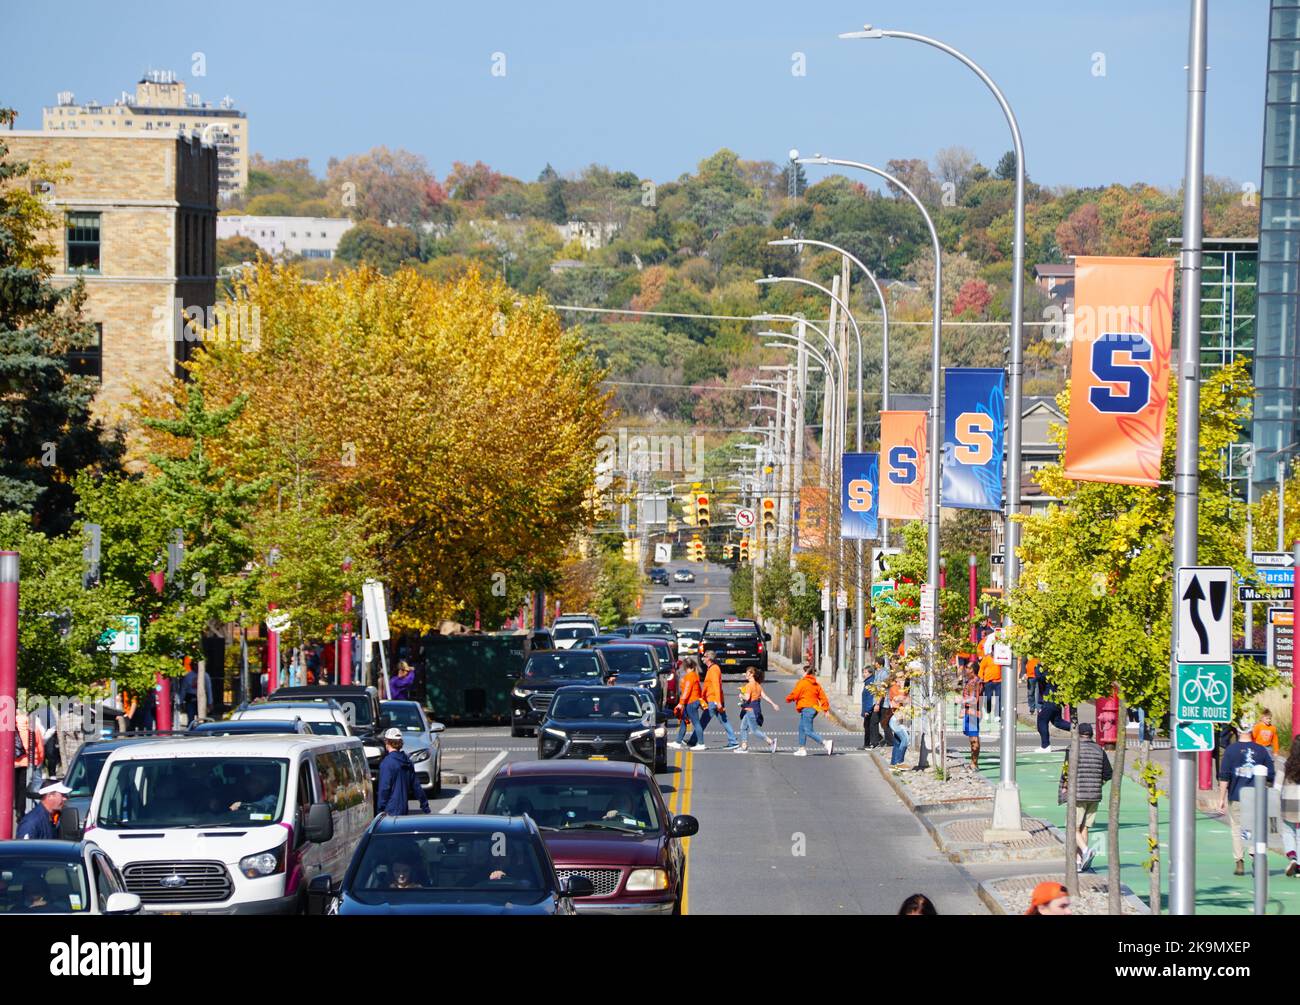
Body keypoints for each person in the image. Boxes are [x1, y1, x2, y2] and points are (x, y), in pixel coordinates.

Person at [1217, 719, 1275, 875]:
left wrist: (1221, 798)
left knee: (1237, 827)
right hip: (1256, 796)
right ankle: (1254, 854)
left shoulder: (1230, 750)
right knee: (1253, 826)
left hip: (1236, 794)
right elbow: (1271, 775)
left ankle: (1239, 860)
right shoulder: (1261, 751)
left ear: (1237, 730)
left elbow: (1224, 776)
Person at [1061, 722, 1113, 872]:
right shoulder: (1099, 749)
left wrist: (1065, 786)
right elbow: (1108, 773)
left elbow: (1066, 769)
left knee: (1072, 826)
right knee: (1084, 827)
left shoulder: (1072, 748)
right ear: (1091, 735)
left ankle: (1085, 851)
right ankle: (1079, 861)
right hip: (1094, 794)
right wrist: (1098, 784)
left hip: (1077, 793)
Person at [377, 727, 431, 816]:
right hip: (404, 810)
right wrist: (425, 806)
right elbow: (416, 786)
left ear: (387, 742)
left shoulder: (387, 763)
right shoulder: (407, 761)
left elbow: (384, 789)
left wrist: (380, 810)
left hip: (389, 811)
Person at [785, 667, 833, 756]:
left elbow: (795, 694)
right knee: (801, 727)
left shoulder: (802, 682)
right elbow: (823, 697)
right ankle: (801, 749)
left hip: (807, 707)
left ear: (806, 673)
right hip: (814, 708)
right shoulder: (816, 684)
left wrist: (788, 699)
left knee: (808, 730)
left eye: (803, 672)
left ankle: (825, 743)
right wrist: (825, 710)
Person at [698, 651, 739, 749]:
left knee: (703, 722)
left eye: (704, 656)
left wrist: (718, 702)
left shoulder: (714, 669)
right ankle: (733, 741)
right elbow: (707, 686)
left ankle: (695, 741)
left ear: (709, 658)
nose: (703, 658)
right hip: (713, 700)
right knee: (723, 721)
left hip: (714, 700)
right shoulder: (711, 669)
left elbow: (716, 686)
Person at [736, 667, 779, 754]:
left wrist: (741, 695)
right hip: (755, 709)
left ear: (751, 674)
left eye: (747, 672)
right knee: (743, 727)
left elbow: (747, 698)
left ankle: (771, 742)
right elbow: (765, 696)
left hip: (750, 710)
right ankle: (744, 746)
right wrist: (773, 704)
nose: (745, 674)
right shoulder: (757, 685)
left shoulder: (749, 685)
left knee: (754, 730)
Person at [669, 657, 707, 750]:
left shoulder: (690, 676)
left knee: (696, 723)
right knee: (683, 722)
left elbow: (686, 690)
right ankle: (678, 742)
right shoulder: (694, 675)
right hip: (691, 701)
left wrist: (681, 703)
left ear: (686, 667)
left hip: (691, 702)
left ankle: (701, 743)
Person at [1035, 664, 1071, 753]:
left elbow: (1039, 677)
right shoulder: (1058, 667)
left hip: (1049, 699)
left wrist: (1039, 666)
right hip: (1056, 699)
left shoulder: (1045, 670)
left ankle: (1045, 746)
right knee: (1057, 722)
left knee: (1042, 720)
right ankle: (1079, 729)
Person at [1278, 739, 1300, 878]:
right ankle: (1299, 866)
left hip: (1288, 803)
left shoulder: (1285, 765)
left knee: (1287, 831)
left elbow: (1277, 786)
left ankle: (1292, 856)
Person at [960, 663, 984, 770]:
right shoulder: (970, 681)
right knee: (972, 738)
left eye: (968, 668)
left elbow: (975, 699)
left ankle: (974, 764)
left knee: (974, 738)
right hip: (969, 712)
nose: (965, 670)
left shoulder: (975, 682)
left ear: (972, 670)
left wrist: (961, 700)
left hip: (973, 713)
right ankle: (973, 763)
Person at [888, 675, 911, 768]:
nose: (901, 681)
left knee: (898, 742)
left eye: (903, 679)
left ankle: (893, 764)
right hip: (896, 721)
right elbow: (896, 699)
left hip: (900, 721)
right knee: (906, 739)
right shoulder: (900, 692)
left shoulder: (907, 693)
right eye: (900, 678)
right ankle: (900, 762)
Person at [866, 658, 889, 748]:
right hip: (878, 701)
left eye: (875, 662)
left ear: (879, 664)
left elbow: (882, 689)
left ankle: (890, 741)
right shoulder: (878, 672)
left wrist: (878, 704)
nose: (873, 663)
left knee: (883, 723)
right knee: (875, 722)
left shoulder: (884, 673)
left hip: (883, 702)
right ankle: (875, 742)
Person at [860, 666, 876, 749]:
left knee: (867, 726)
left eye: (865, 672)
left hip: (869, 709)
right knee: (867, 725)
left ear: (870, 673)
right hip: (868, 708)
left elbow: (870, 697)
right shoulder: (867, 682)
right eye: (863, 672)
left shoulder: (870, 683)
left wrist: (867, 710)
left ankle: (867, 744)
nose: (864, 674)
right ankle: (871, 742)